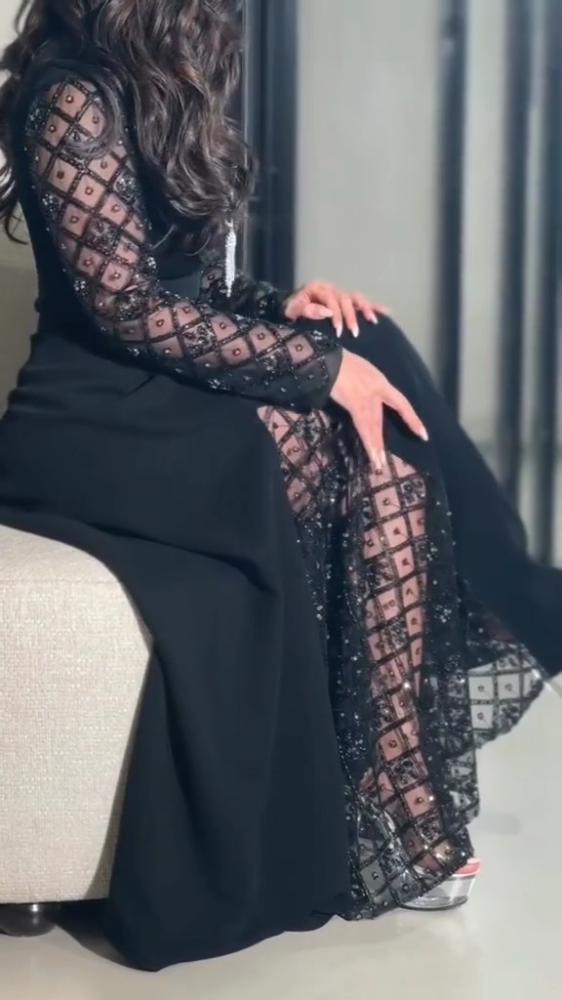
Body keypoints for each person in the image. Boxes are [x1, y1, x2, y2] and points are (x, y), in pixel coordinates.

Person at [0, 0, 560, 973]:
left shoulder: (164, 80)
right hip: (90, 416)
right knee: (339, 406)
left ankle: (395, 794)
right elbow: (125, 308)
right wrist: (315, 369)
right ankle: (419, 759)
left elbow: (193, 290)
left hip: (163, 386)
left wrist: (285, 309)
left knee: (373, 403)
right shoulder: (69, 92)